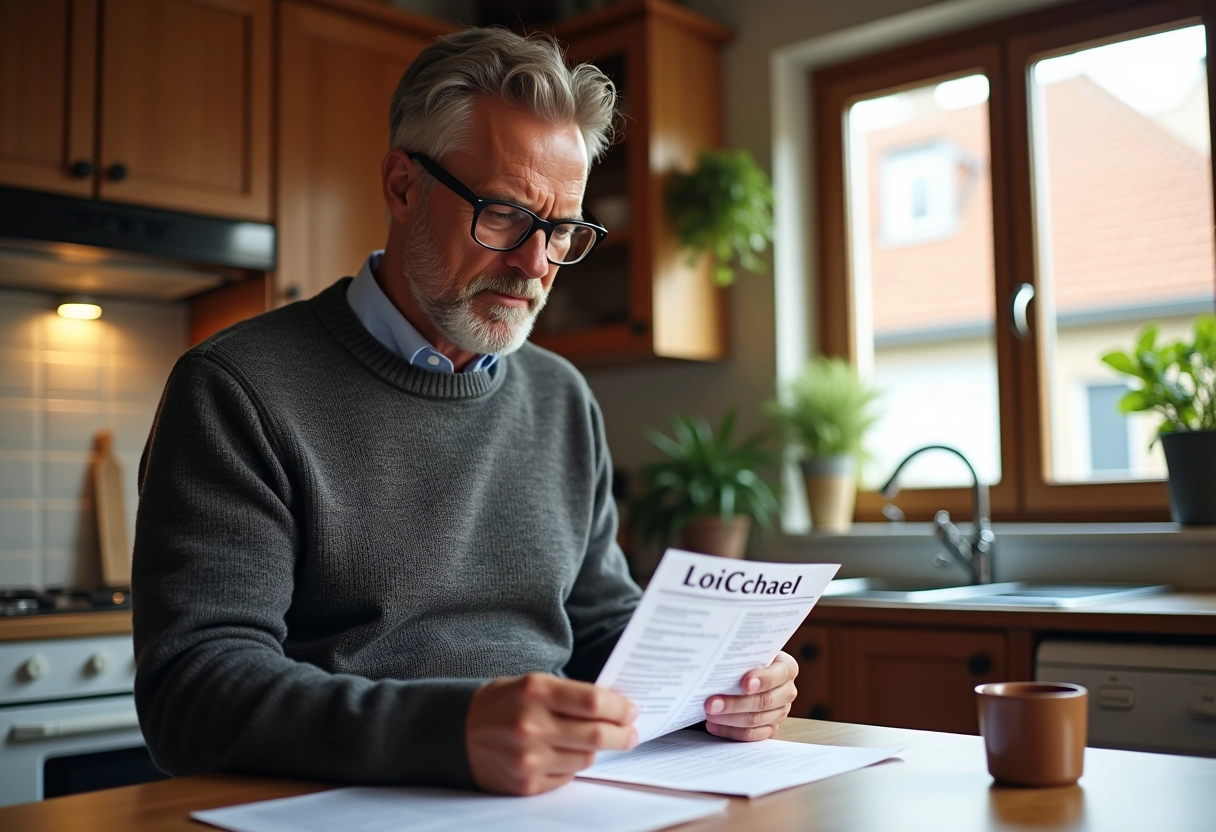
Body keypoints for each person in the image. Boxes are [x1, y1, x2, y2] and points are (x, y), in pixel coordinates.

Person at [131, 27, 798, 797]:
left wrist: (720, 684)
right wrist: (451, 732)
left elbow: (600, 626)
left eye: (561, 231)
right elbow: (193, 693)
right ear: (403, 186)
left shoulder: (559, 397)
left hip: (555, 803)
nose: (535, 264)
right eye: (507, 216)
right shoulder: (236, 388)